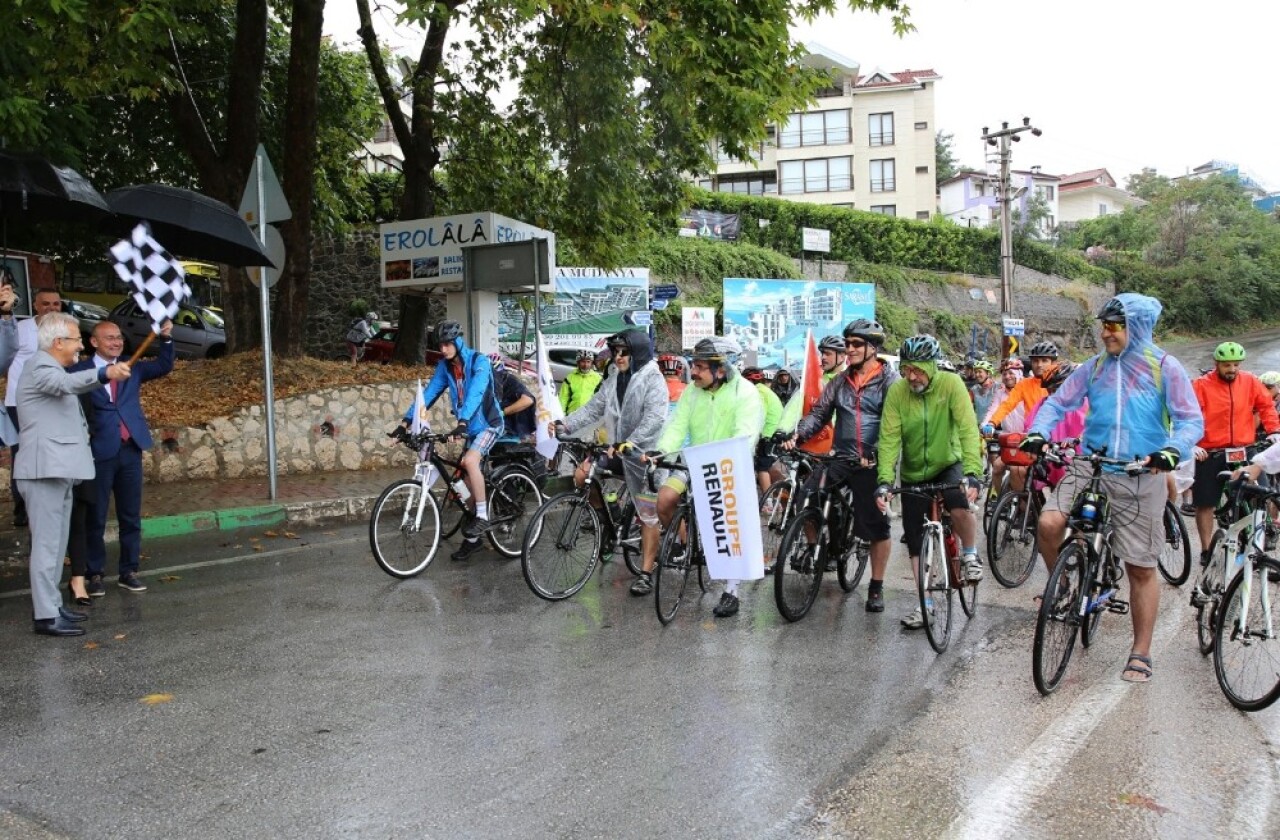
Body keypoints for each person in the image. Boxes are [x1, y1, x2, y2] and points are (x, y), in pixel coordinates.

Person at [1023, 293, 1202, 683]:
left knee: (1140, 567)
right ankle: (1066, 585)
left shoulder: (1165, 368)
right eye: (1103, 325)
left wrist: (1172, 450)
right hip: (1091, 464)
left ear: (1136, 326)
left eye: (1114, 325)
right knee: (1050, 524)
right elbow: (1057, 406)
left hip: (1142, 471)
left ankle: (1141, 650)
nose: (1105, 333)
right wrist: (1038, 431)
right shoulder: (1094, 367)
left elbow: (1191, 421)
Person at [16, 312, 131, 636]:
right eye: (77, 339)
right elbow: (65, 385)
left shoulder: (52, 366)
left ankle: (52, 608)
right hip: (44, 470)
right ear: (57, 342)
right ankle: (46, 615)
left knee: (56, 544)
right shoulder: (41, 366)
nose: (81, 345)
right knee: (48, 547)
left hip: (58, 469)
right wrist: (106, 371)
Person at [784, 318, 898, 611]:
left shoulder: (890, 381)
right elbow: (819, 413)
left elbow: (894, 425)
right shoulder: (840, 381)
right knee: (806, 496)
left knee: (876, 527)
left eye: (857, 344)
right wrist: (798, 435)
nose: (850, 349)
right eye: (847, 344)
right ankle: (816, 550)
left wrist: (876, 454)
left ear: (873, 348)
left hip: (871, 461)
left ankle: (876, 586)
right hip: (840, 457)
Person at [875, 334, 984, 629]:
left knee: (960, 504)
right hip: (913, 472)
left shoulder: (951, 384)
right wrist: (884, 481)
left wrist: (972, 472)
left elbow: (967, 429)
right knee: (915, 540)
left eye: (918, 369)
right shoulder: (898, 392)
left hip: (949, 462)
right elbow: (888, 441)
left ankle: (971, 554)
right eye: (907, 369)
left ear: (932, 366)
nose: (912, 376)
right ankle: (925, 604)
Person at [654, 337, 764, 617]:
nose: (694, 372)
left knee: (729, 527)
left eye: (700, 367)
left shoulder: (746, 392)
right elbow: (677, 426)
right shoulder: (692, 392)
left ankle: (731, 590)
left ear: (721, 369)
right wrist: (661, 450)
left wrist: (727, 457)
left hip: (728, 466)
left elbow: (746, 433)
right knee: (665, 499)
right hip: (694, 462)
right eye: (693, 365)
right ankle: (686, 545)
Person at [555, 329, 667, 596]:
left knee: (647, 514)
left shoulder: (653, 379)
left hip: (644, 453)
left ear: (637, 353)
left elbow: (656, 418)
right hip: (617, 449)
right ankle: (608, 521)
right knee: (583, 475)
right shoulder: (615, 377)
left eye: (623, 352)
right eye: (615, 352)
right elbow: (595, 407)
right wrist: (565, 424)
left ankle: (645, 572)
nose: (617, 357)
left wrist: (632, 442)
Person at [68, 319, 176, 595]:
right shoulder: (78, 371)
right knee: (95, 516)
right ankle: (94, 573)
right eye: (109, 338)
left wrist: (165, 338)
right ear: (94, 342)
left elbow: (164, 366)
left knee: (130, 516)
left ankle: (129, 570)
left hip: (130, 449)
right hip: (97, 452)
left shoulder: (133, 365)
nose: (116, 342)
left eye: (118, 337)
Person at [401, 320, 504, 562]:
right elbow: (428, 394)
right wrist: (405, 421)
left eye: (447, 344)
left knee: (469, 461)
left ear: (458, 342)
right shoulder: (445, 367)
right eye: (440, 345)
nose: (444, 349)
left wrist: (464, 421)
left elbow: (476, 393)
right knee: (461, 483)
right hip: (468, 427)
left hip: (489, 424)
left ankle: (482, 517)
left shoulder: (479, 361)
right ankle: (473, 539)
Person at [1189, 341, 1280, 561]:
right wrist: (1192, 443)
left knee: (1261, 493)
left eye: (1236, 365)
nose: (1232, 369)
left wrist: (1274, 430)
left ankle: (1258, 538)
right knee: (1206, 502)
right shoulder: (1201, 385)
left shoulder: (1249, 381)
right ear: (1216, 364)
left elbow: (1266, 406)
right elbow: (1188, 415)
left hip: (1243, 448)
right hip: (1210, 450)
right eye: (1227, 365)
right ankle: (1205, 549)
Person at [6, 287, 62, 526]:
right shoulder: (20, 329)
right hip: (18, 402)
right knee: (22, 455)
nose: (51, 308)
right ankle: (22, 509)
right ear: (36, 306)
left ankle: (46, 505)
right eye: (46, 304)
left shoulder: (66, 331)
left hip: (52, 401)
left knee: (49, 453)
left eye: (56, 304)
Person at [742, 367, 784, 494]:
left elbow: (759, 416)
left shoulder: (757, 392)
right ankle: (779, 495)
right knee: (769, 465)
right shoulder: (764, 390)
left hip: (768, 433)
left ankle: (768, 502)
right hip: (775, 431)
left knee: (762, 467)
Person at [488, 353, 537, 442]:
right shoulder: (485, 383)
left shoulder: (509, 380)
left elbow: (528, 400)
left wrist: (503, 412)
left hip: (512, 428)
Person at [559, 349, 603, 414]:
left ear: (592, 363)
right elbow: (563, 398)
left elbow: (602, 399)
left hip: (590, 416)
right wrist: (561, 415)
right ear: (578, 362)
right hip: (572, 415)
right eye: (583, 361)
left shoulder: (598, 378)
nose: (585, 365)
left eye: (588, 362)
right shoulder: (570, 378)